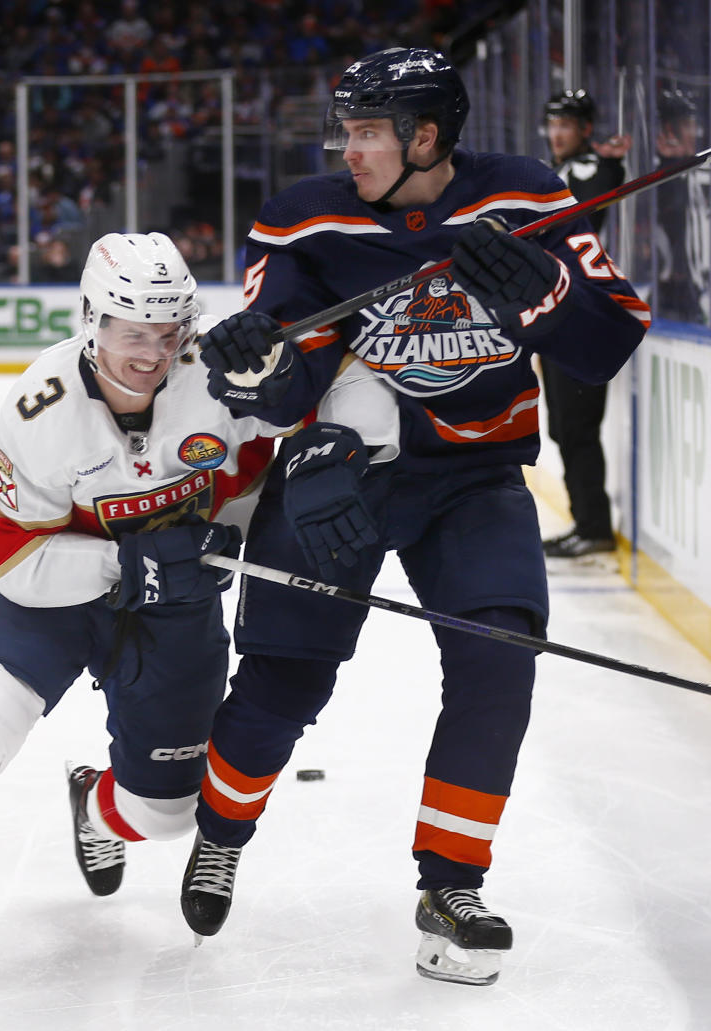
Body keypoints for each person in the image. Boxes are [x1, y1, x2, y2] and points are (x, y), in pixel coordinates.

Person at [0, 231, 398, 997]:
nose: (151, 353)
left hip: (177, 611)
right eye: (131, 331)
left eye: (168, 332)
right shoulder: (40, 405)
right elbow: (8, 551)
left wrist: (336, 445)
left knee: (167, 813)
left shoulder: (218, 374)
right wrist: (131, 562)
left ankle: (96, 806)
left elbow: (352, 373)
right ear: (91, 320)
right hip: (51, 602)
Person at [180, 48, 650, 986]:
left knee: (499, 655)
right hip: (344, 477)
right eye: (345, 131)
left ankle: (452, 882)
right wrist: (255, 365)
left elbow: (609, 342)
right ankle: (221, 831)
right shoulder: (302, 218)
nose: (345, 149)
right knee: (286, 682)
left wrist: (541, 290)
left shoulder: (523, 194)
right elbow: (288, 384)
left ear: (425, 136)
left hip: (474, 479)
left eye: (365, 132)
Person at [540, 88, 631, 558]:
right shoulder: (558, 171)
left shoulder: (586, 168)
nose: (557, 133)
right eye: (552, 124)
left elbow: (590, 204)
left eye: (566, 125)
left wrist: (610, 162)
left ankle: (594, 526)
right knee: (563, 426)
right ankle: (586, 522)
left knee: (576, 426)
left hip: (582, 313)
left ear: (585, 129)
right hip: (559, 314)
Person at [654, 87, 710, 324]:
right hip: (677, 291)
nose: (693, 133)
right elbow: (670, 212)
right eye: (685, 125)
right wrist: (671, 164)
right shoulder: (659, 174)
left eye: (692, 124)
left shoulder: (704, 170)